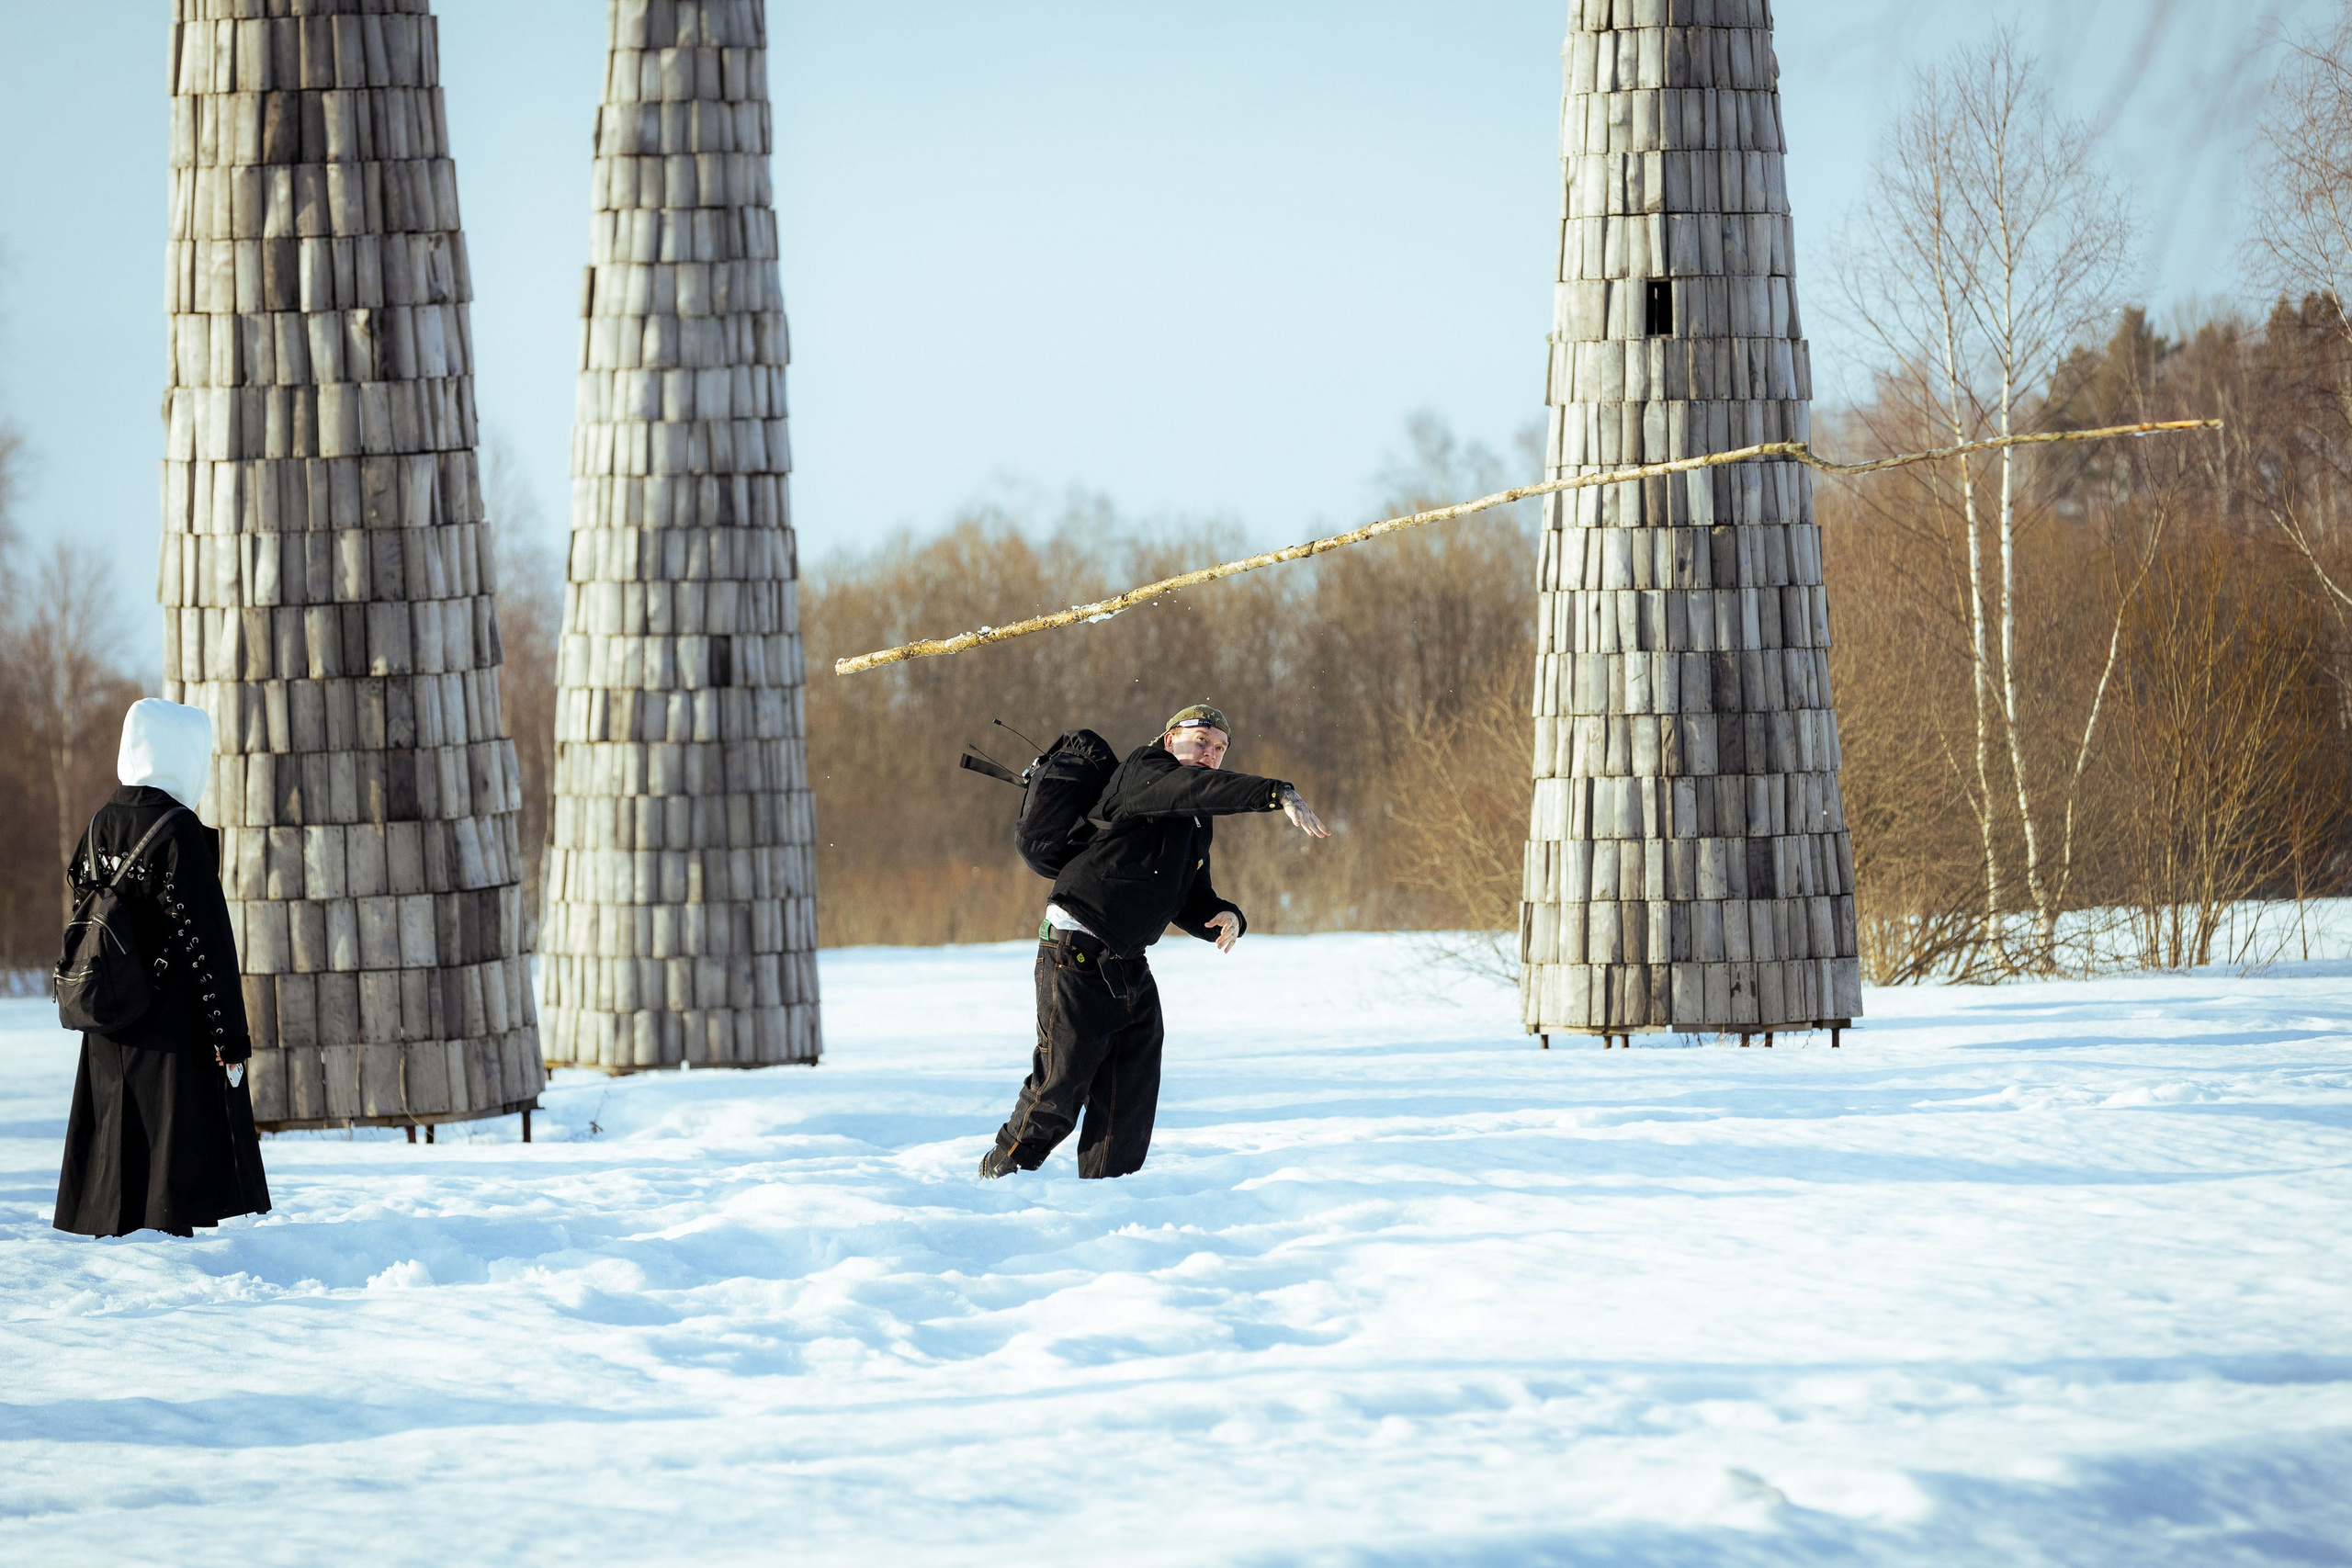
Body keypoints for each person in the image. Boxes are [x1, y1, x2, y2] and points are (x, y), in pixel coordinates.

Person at [980, 703, 1329, 1180]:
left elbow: (1185, 893)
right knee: (1064, 1078)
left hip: (1126, 959)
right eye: (1200, 741)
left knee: (1132, 1084)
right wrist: (1276, 793)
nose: (1210, 753)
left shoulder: (1195, 816)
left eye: (1220, 749)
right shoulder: (1146, 772)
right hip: (1075, 946)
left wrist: (1224, 915)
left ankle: (1111, 1189)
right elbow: (1190, 787)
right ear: (1169, 740)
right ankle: (1002, 1171)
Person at [53, 698, 271, 1238]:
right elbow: (210, 945)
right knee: (166, 1174)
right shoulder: (178, 833)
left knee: (114, 1153)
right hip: (171, 1030)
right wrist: (231, 1038)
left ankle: (116, 1239)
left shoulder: (100, 823)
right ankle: (164, 1268)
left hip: (109, 1019)